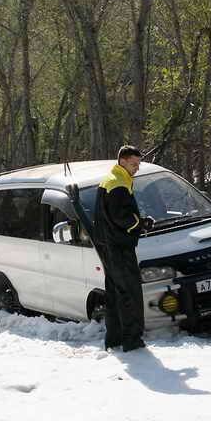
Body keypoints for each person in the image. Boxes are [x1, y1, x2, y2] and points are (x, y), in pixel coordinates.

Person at [94, 145, 154, 352]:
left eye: (138, 164)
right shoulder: (118, 183)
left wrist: (137, 222)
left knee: (115, 294)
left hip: (109, 245)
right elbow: (121, 217)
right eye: (133, 164)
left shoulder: (112, 179)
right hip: (119, 246)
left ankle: (115, 338)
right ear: (122, 161)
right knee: (129, 292)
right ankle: (132, 340)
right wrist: (140, 223)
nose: (137, 168)